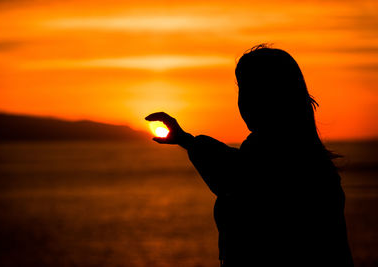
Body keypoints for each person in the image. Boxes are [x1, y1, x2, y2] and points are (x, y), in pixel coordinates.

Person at [145, 44, 354, 266]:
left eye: (250, 88)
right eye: (241, 89)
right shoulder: (298, 155)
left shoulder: (282, 158)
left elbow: (237, 175)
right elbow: (236, 167)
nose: (243, 100)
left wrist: (187, 141)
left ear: (275, 95)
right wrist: (185, 140)